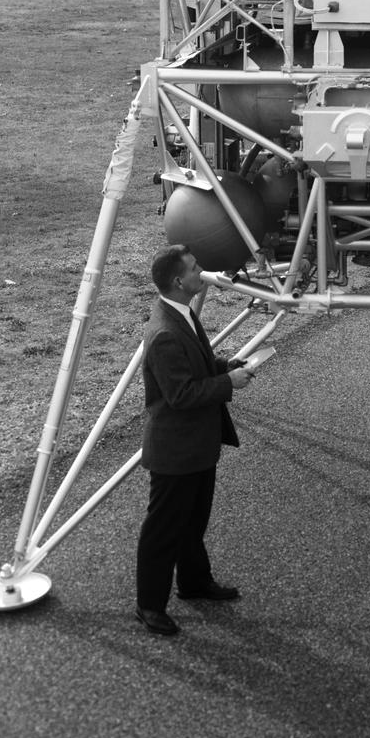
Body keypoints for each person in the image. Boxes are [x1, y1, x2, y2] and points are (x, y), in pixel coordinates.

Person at [135, 243, 255, 636]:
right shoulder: (165, 333)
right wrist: (228, 382)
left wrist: (224, 366)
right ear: (178, 280)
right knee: (163, 531)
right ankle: (149, 606)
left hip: (196, 447)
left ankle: (194, 582)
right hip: (176, 452)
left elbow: (195, 366)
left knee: (192, 522)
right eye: (193, 268)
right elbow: (181, 394)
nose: (200, 271)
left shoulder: (180, 312)